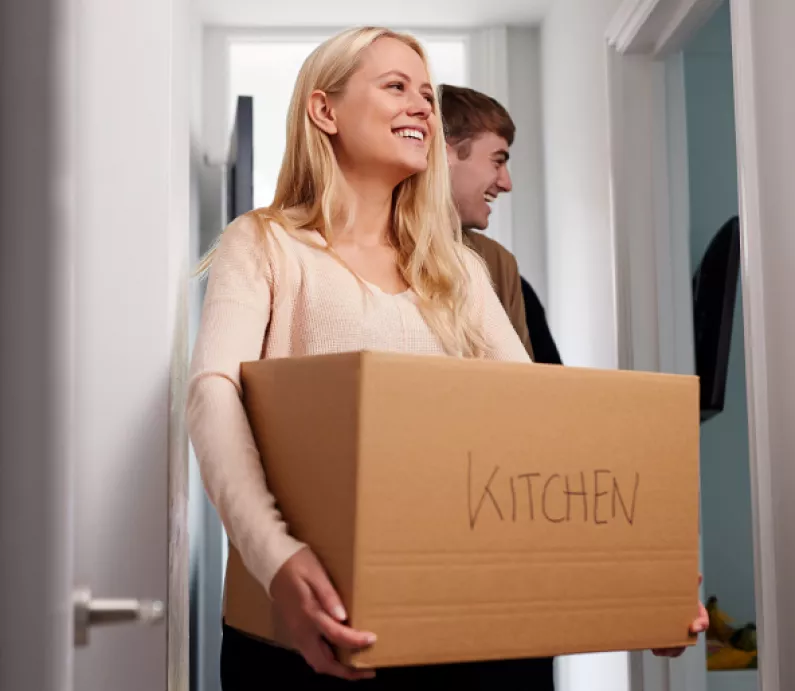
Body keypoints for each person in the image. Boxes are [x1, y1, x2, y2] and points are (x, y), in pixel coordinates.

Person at [188, 26, 708, 690]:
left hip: (444, 635)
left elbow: (543, 424)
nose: (422, 107)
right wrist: (276, 557)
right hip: (302, 633)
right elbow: (212, 394)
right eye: (396, 87)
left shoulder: (455, 269)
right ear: (324, 110)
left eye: (428, 96)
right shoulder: (265, 244)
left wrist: (632, 578)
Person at [440, 83, 561, 364]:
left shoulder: (499, 266)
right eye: (497, 162)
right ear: (445, 155)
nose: (506, 184)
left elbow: (528, 382)